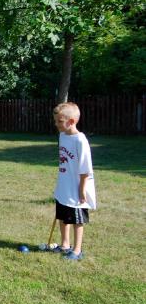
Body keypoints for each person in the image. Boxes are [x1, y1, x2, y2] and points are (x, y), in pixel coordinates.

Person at [52, 102, 96, 261]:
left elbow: (85, 169)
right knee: (63, 216)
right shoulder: (63, 136)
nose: (56, 124)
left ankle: (77, 250)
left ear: (71, 121)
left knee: (77, 219)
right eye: (55, 121)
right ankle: (65, 245)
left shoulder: (80, 141)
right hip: (64, 185)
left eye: (59, 121)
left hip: (77, 187)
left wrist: (82, 190)